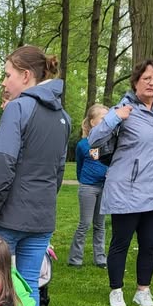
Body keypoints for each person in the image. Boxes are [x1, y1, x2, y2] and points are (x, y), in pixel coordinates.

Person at [0, 45, 70, 306]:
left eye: (7, 75)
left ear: (26, 75)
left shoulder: (17, 109)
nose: (4, 83)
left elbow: (3, 167)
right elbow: (58, 173)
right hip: (42, 218)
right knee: (29, 285)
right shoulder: (64, 117)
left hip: (8, 218)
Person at [88, 56, 153, 306]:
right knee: (121, 243)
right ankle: (116, 290)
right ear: (136, 82)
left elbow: (147, 150)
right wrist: (115, 117)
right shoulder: (124, 108)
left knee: (150, 245)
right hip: (128, 190)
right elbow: (93, 139)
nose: (151, 83)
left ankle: (143, 291)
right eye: (146, 78)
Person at [67, 104, 109, 269]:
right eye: (103, 119)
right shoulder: (84, 144)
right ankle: (75, 259)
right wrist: (84, 181)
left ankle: (100, 258)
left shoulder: (109, 143)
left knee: (100, 224)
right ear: (92, 122)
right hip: (88, 188)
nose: (107, 122)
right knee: (84, 223)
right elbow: (79, 165)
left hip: (104, 187)